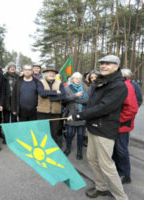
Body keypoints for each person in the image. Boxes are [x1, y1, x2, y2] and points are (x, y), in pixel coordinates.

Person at [68, 55, 129, 200]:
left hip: (105, 130)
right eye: (102, 63)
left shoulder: (118, 85)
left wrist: (79, 115)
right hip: (93, 127)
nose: (103, 66)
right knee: (92, 159)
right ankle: (101, 188)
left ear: (116, 66)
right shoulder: (100, 82)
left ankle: (121, 196)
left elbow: (104, 108)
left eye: (108, 63)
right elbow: (91, 103)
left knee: (106, 165)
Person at [112, 68, 139, 185]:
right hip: (115, 124)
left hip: (122, 124)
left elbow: (134, 107)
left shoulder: (129, 86)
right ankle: (117, 170)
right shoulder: (120, 85)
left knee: (121, 150)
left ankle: (125, 174)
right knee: (115, 149)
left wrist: (119, 119)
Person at [37, 67, 66, 147]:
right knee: (42, 132)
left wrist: (51, 98)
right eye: (49, 72)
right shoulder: (40, 82)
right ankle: (42, 149)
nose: (51, 74)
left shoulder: (59, 83)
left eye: (53, 73)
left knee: (55, 133)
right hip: (42, 112)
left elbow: (63, 96)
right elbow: (42, 93)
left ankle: (53, 149)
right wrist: (55, 92)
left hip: (55, 113)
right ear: (45, 74)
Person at [63, 72, 88, 160]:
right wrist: (75, 96)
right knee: (69, 134)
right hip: (71, 114)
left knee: (80, 135)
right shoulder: (67, 88)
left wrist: (76, 101)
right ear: (72, 79)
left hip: (81, 114)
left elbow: (87, 100)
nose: (77, 80)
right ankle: (68, 148)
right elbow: (65, 99)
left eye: (79, 78)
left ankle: (79, 151)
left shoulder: (84, 88)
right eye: (75, 78)